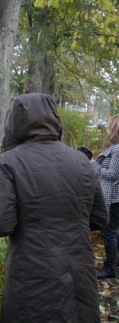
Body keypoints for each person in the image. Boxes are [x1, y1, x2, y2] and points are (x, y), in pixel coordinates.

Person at [0, 93, 108, 323]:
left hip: (32, 275)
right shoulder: (81, 160)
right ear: (54, 119)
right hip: (78, 272)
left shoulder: (10, 162)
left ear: (15, 122)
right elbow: (100, 218)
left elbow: (0, 224)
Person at [91, 115, 119, 279]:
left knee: (108, 232)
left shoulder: (117, 150)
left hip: (115, 198)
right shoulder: (116, 148)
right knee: (112, 230)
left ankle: (110, 269)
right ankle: (114, 260)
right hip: (115, 197)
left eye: (109, 127)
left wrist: (94, 164)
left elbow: (113, 175)